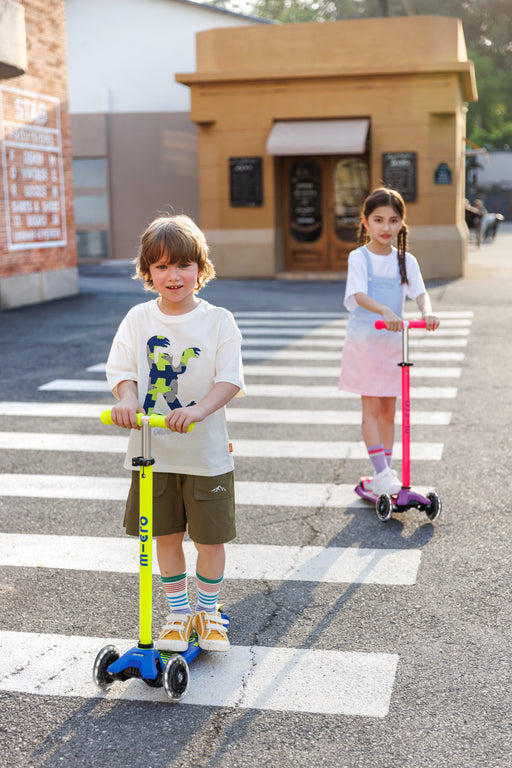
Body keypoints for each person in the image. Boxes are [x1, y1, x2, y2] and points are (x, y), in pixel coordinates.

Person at [106, 214, 245, 653]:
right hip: (153, 452)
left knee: (209, 538)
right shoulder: (137, 318)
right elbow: (124, 370)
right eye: (162, 266)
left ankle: (207, 612)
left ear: (201, 270)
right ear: (147, 272)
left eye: (183, 265)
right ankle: (179, 613)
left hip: (205, 453)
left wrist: (199, 410)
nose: (173, 275)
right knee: (163, 537)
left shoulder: (219, 321)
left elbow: (230, 378)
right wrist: (127, 399)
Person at [338, 187, 439, 495]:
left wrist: (428, 312)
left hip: (392, 344)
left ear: (401, 223)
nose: (386, 228)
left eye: (393, 221)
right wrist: (383, 309)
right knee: (370, 406)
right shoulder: (359, 257)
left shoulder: (405, 260)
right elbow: (357, 294)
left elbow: (419, 292)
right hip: (365, 341)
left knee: (389, 409)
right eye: (378, 220)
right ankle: (381, 472)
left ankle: (386, 472)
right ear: (365, 222)